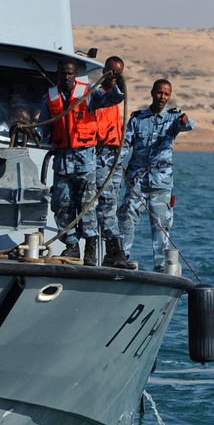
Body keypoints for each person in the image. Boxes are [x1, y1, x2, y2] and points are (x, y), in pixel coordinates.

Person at [116, 79, 193, 272]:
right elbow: (125, 145)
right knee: (126, 219)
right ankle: (121, 258)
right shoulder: (138, 118)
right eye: (159, 93)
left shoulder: (173, 118)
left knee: (161, 227)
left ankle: (161, 268)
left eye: (166, 94)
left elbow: (187, 125)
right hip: (137, 181)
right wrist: (117, 166)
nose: (162, 97)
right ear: (152, 92)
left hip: (161, 183)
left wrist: (185, 121)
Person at [39, 58, 99, 264]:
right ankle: (71, 245)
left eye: (70, 73)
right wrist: (36, 133)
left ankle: (91, 246)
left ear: (75, 75)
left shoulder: (89, 93)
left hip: (84, 161)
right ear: (58, 74)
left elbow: (111, 98)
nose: (66, 77)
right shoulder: (50, 97)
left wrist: (113, 80)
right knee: (61, 203)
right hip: (62, 161)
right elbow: (44, 125)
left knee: (87, 205)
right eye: (63, 73)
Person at [88, 55, 133, 269]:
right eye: (112, 71)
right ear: (105, 70)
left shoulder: (115, 96)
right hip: (99, 155)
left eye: (119, 73)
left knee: (111, 204)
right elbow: (116, 97)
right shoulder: (96, 94)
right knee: (103, 203)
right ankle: (110, 251)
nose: (115, 76)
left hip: (114, 156)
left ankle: (113, 253)